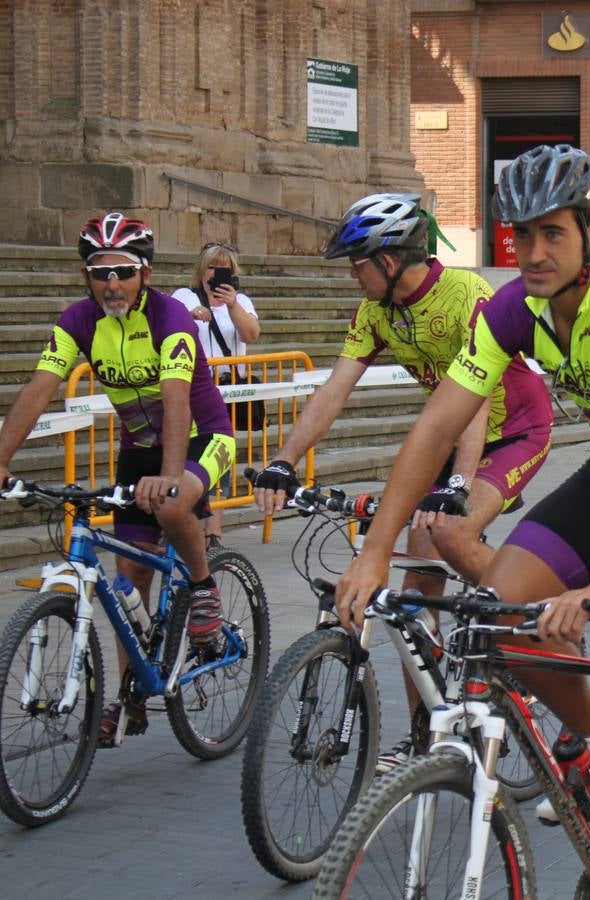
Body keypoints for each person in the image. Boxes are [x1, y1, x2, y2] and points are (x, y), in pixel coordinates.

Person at [334, 145, 590, 898]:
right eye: (519, 235)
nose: (531, 253)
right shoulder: (512, 309)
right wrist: (374, 551)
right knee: (499, 615)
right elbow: (435, 427)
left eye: (551, 233)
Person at [253, 192, 554, 770]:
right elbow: (335, 389)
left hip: (512, 431)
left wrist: (460, 481)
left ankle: (534, 625)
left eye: (356, 264)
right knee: (415, 595)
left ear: (388, 262)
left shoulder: (465, 294)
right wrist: (284, 461)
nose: (351, 275)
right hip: (450, 438)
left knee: (449, 534)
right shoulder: (376, 313)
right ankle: (426, 736)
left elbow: (482, 389)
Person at [0, 212, 235, 745]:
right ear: (87, 277)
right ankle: (130, 695)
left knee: (173, 506)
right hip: (137, 452)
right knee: (128, 580)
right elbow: (40, 387)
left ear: (145, 274)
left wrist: (171, 476)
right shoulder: (78, 321)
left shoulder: (172, 317)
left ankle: (203, 590)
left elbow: (176, 400)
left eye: (124, 272)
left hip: (203, 438)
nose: (112, 283)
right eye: (100, 272)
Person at [172, 241, 261, 549]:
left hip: (226, 392)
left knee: (218, 463)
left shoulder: (242, 301)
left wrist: (232, 305)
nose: (216, 273)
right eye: (212, 266)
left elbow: (250, 335)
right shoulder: (184, 297)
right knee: (188, 461)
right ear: (201, 269)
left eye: (224, 268)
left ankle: (214, 534)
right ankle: (186, 526)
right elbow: (168, 330)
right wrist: (192, 315)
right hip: (192, 389)